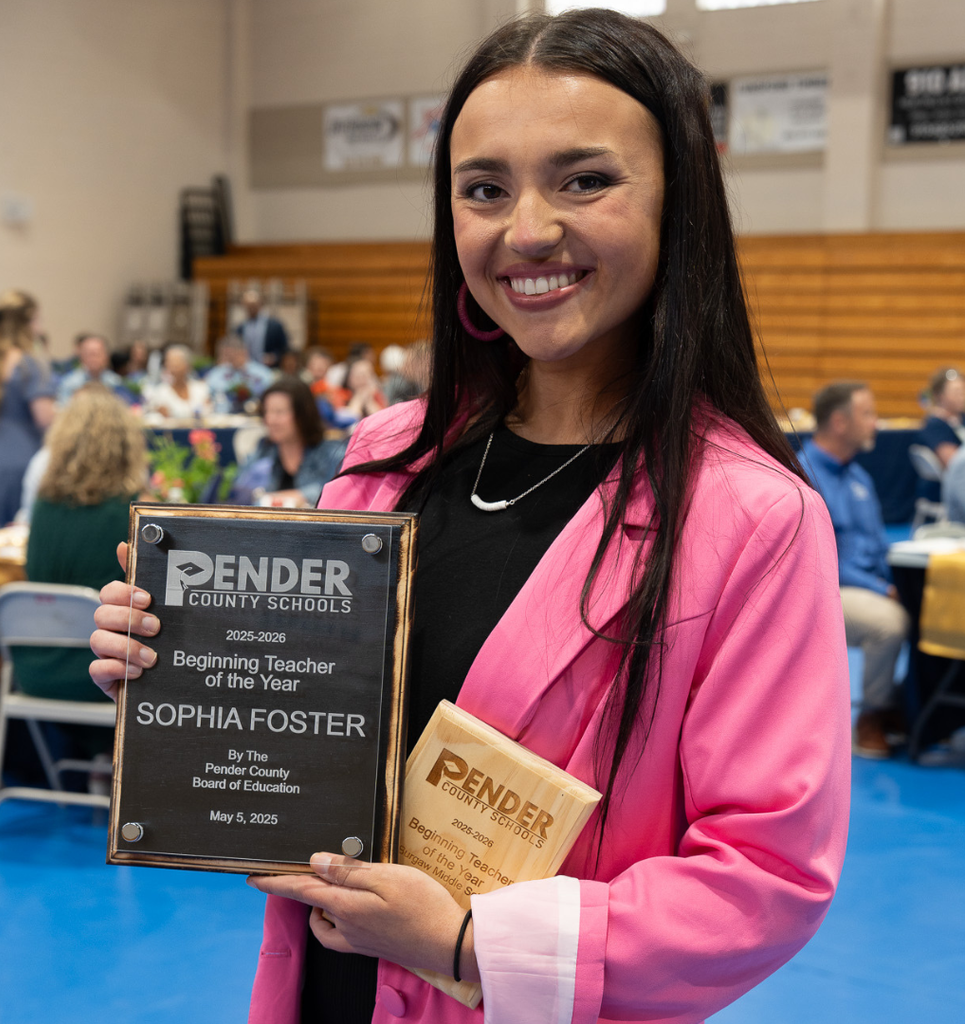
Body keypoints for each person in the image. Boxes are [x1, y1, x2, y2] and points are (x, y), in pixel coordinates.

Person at [90, 12, 850, 1024]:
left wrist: (465, 942)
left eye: (584, 180)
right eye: (483, 188)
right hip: (326, 989)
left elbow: (763, 875)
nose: (525, 229)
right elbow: (305, 755)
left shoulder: (751, 520)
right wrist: (178, 671)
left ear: (680, 203)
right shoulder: (384, 463)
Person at [799, 381, 909, 759]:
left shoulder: (860, 478)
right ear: (839, 422)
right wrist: (883, 590)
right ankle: (871, 717)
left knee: (933, 607)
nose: (876, 422)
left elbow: (879, 547)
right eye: (868, 414)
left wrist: (900, 582)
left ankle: (909, 705)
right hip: (821, 590)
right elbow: (820, 560)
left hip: (866, 583)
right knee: (889, 624)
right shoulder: (803, 475)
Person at [20, 385, 147, 705]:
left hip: (34, 662)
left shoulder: (44, 507)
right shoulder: (133, 516)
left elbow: (33, 577)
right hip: (101, 667)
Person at [0, 290, 57, 526]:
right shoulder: (29, 364)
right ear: (25, 322)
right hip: (20, 462)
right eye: (37, 319)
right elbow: (45, 418)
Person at [229, 377, 347, 508]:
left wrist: (298, 496)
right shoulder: (264, 451)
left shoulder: (331, 452)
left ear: (302, 414)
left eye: (279, 412)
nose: (270, 419)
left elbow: (341, 495)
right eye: (266, 411)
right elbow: (237, 493)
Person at [204, 335, 277, 413]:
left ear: (244, 352)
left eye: (233, 355)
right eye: (227, 356)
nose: (229, 360)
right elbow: (208, 395)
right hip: (222, 417)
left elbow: (270, 397)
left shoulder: (262, 373)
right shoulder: (217, 373)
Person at [144, 345, 212, 419]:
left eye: (177, 363)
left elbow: (208, 412)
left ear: (188, 365)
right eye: (171, 364)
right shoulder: (161, 392)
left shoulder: (200, 388)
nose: (174, 368)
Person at [56, 334, 123, 404]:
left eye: (97, 354)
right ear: (81, 357)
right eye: (89, 354)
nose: (93, 359)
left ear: (106, 356)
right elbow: (63, 410)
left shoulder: (115, 382)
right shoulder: (69, 383)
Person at [237, 289, 289, 369]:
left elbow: (284, 348)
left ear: (261, 304)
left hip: (270, 368)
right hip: (246, 369)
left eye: (253, 305)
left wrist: (274, 357)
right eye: (248, 305)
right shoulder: (240, 328)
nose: (251, 308)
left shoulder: (274, 326)